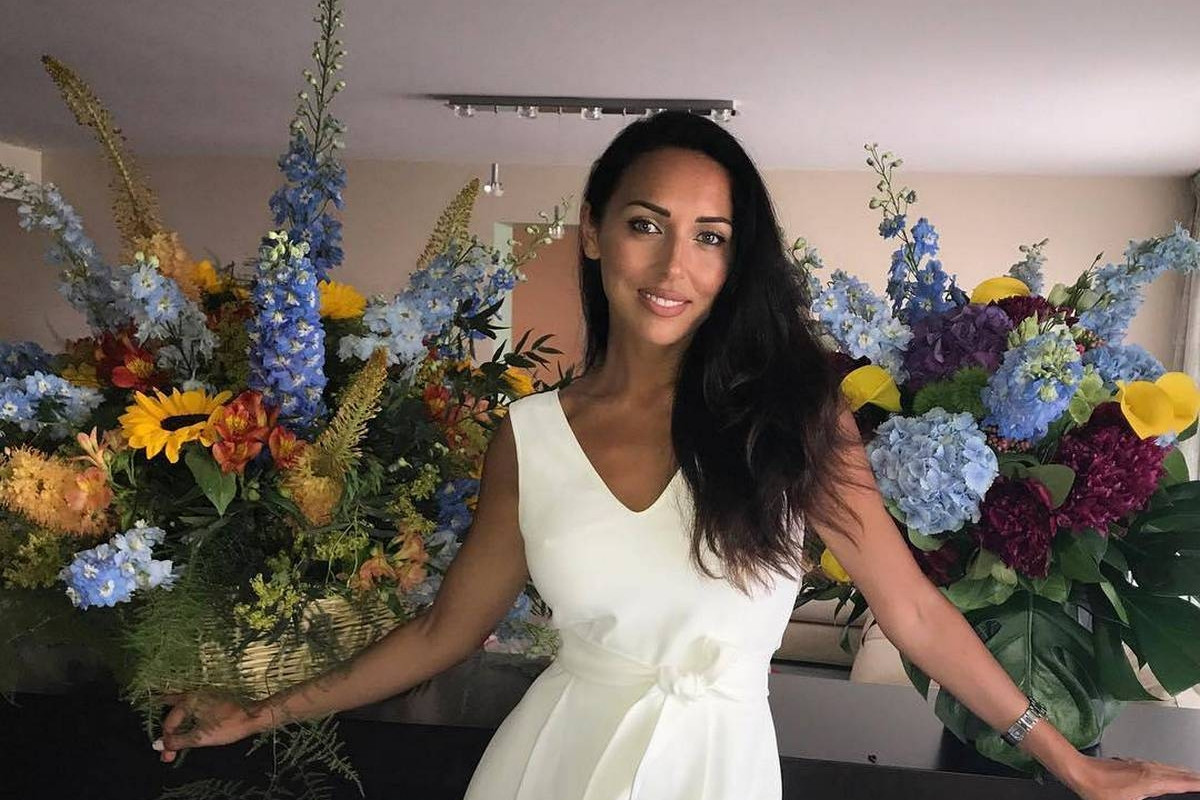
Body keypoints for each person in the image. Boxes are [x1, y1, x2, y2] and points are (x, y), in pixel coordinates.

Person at [157, 111, 1200, 800]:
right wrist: (264, 708)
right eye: (647, 224)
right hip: (553, 766)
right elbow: (444, 630)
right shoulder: (529, 436)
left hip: (719, 771)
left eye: (710, 236)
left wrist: (1069, 760)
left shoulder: (796, 416)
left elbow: (916, 613)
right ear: (594, 232)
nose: (674, 265)